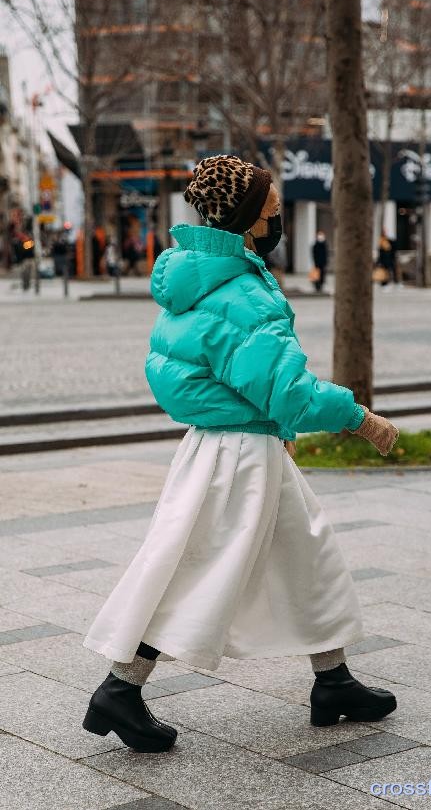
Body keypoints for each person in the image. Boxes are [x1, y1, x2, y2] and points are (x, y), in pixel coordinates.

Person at [82, 155, 399, 754]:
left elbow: (175, 371)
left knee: (308, 556)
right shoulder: (245, 293)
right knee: (196, 571)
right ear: (251, 220)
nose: (277, 219)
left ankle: (333, 682)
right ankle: (119, 690)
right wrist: (361, 419)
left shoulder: (194, 277)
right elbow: (288, 391)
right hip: (240, 458)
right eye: (273, 210)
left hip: (224, 446)